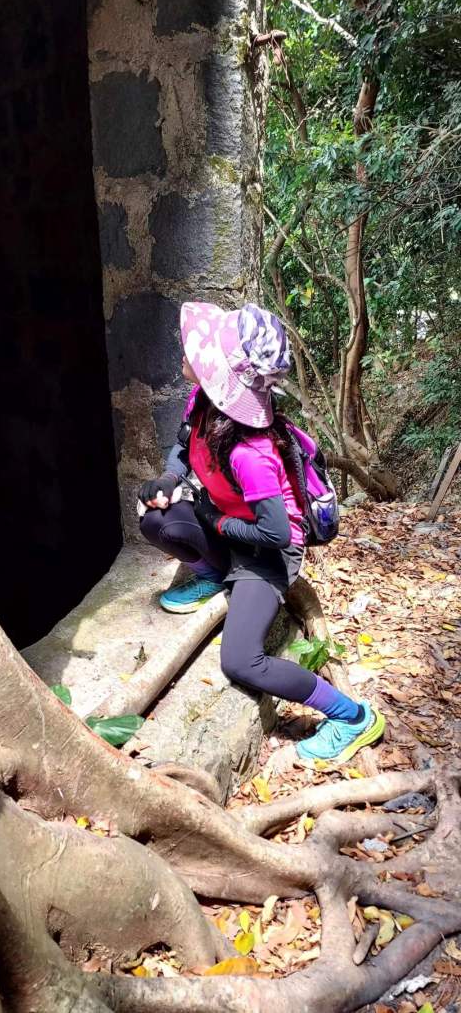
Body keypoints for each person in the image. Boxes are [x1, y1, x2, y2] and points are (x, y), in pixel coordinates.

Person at [138, 301, 384, 766]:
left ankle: (352, 717)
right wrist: (169, 480)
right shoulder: (202, 402)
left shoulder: (250, 452)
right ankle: (214, 576)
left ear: (219, 375)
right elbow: (182, 450)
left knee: (241, 661)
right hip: (231, 530)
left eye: (199, 350)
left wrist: (215, 522)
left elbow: (276, 532)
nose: (186, 351)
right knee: (155, 521)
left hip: (266, 554)